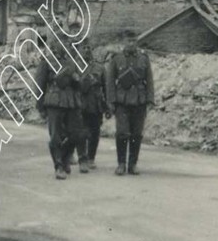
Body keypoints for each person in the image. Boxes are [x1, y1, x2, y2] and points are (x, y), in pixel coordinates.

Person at [106, 30, 155, 176]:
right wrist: (111, 101)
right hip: (122, 101)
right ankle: (121, 164)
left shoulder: (143, 59)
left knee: (137, 134)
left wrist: (150, 99)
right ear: (123, 42)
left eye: (134, 41)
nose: (131, 43)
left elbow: (149, 80)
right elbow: (110, 82)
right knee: (122, 133)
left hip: (139, 101)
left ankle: (133, 164)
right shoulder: (116, 59)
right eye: (128, 41)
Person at [34, 56, 84, 180]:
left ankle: (65, 158)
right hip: (54, 102)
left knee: (75, 134)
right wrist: (40, 106)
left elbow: (81, 84)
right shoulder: (47, 61)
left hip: (71, 102)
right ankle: (59, 166)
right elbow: (39, 84)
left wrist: (77, 80)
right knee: (55, 136)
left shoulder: (72, 61)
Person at [76, 41, 108, 170]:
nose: (87, 50)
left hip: (96, 105)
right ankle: (82, 158)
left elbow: (106, 88)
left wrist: (108, 106)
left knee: (95, 133)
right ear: (78, 50)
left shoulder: (99, 68)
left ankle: (91, 158)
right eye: (84, 47)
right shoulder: (75, 66)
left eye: (89, 47)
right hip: (80, 104)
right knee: (81, 133)